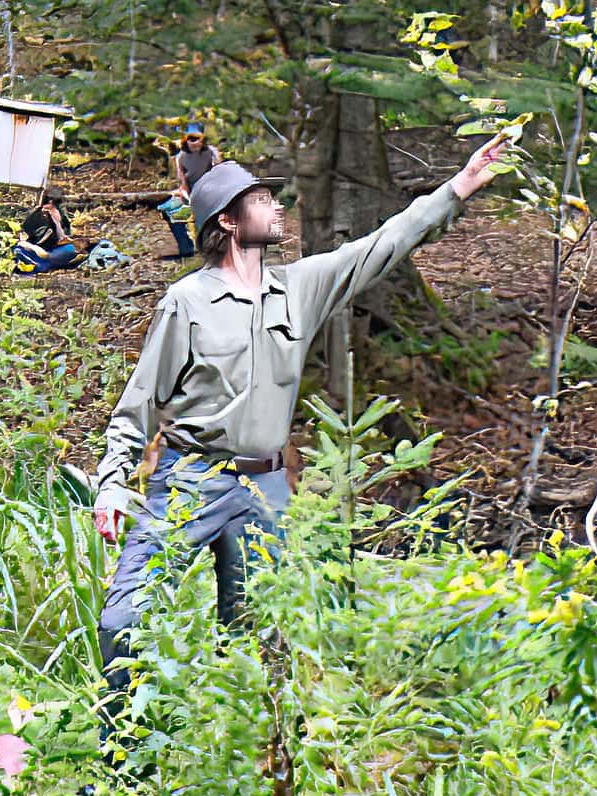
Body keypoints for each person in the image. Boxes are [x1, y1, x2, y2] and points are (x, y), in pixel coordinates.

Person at [93, 134, 510, 740]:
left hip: (266, 489)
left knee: (263, 635)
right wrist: (110, 485)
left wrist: (461, 185)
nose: (277, 207)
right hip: (190, 480)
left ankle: (260, 762)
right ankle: (122, 760)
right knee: (125, 618)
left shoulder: (302, 286)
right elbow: (136, 406)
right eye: (261, 200)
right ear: (229, 223)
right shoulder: (186, 302)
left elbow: (384, 244)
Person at [158, 123, 220, 260]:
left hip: (210, 192)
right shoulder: (181, 157)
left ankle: (210, 246)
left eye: (197, 138)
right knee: (168, 210)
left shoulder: (211, 152)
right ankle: (186, 248)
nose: (194, 142)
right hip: (190, 194)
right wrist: (186, 195)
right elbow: (183, 183)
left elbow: (219, 173)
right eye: (191, 139)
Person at [14, 191, 81, 273]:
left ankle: (42, 264)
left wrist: (56, 222)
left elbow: (63, 237)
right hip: (37, 249)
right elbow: (26, 235)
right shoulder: (36, 216)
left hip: (52, 250)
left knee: (70, 249)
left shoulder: (60, 216)